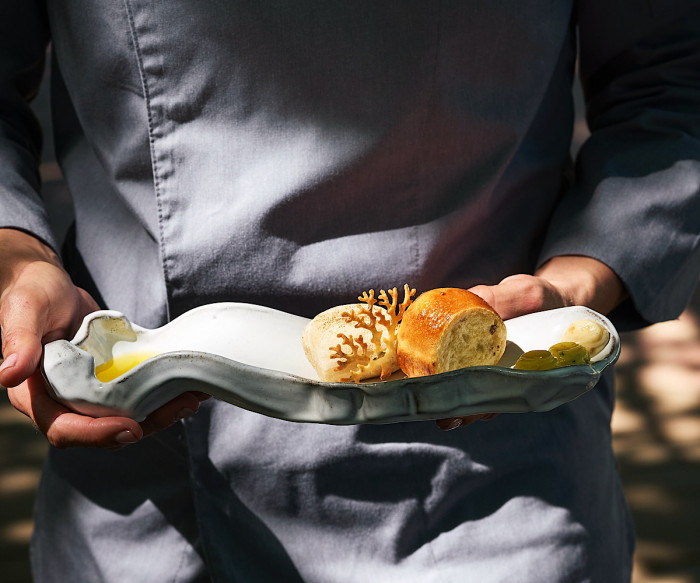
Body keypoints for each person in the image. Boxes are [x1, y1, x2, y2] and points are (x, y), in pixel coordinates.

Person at [1, 1, 699, 581]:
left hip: (487, 477)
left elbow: (673, 79)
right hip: (146, 475)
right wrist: (18, 260)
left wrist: (574, 280)